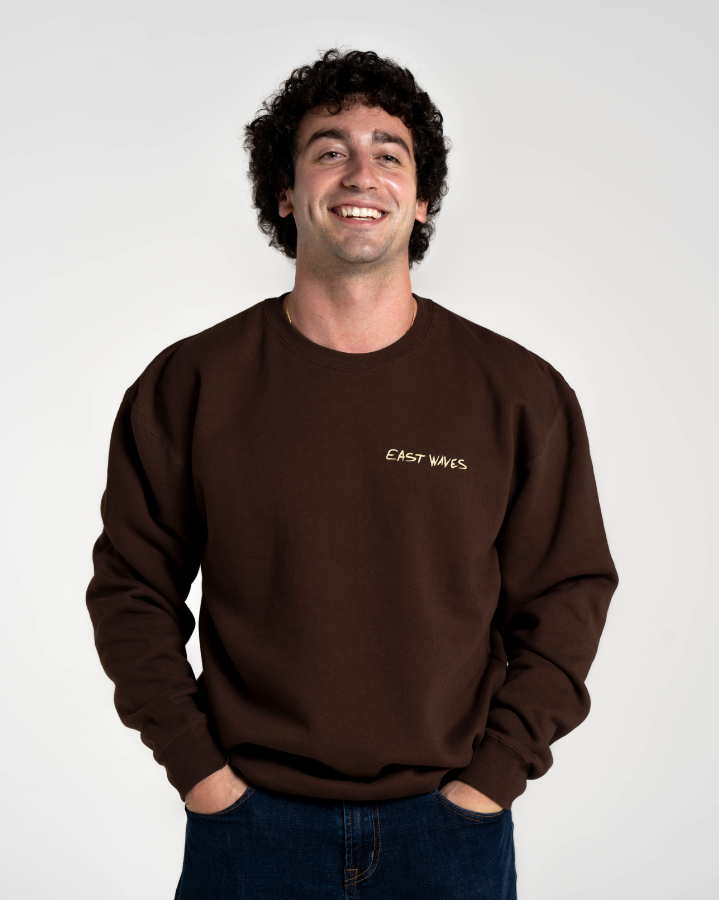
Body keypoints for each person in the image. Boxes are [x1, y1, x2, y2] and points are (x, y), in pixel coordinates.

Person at [86, 48, 619, 900]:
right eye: (329, 150)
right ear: (284, 192)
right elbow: (130, 593)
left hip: (448, 836)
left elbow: (566, 599)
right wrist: (200, 775)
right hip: (248, 833)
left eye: (388, 153)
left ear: (422, 197)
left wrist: (489, 783)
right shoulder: (192, 385)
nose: (360, 174)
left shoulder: (517, 394)